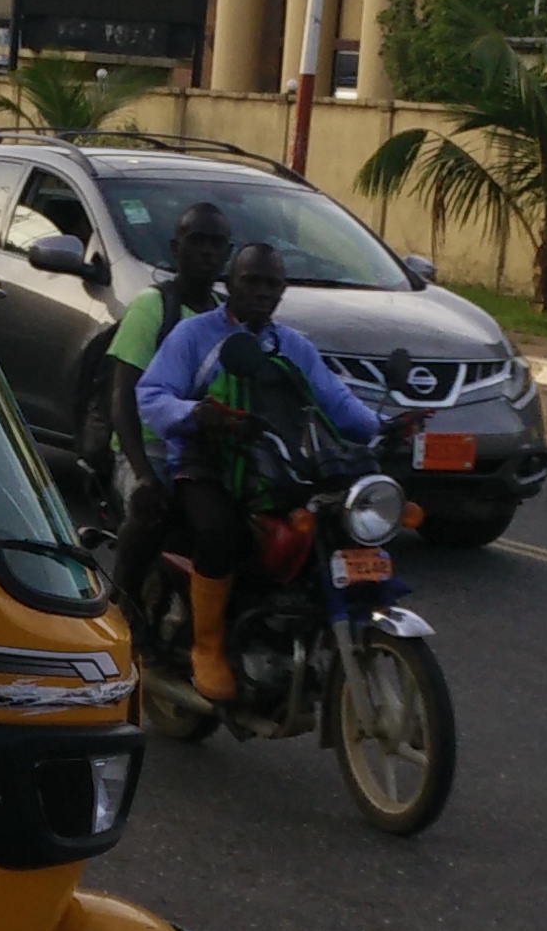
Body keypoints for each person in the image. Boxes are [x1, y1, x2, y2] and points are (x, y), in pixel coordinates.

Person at [134, 242, 388, 701]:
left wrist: (385, 428)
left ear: (282, 291)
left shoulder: (292, 345)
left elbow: (337, 403)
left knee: (331, 528)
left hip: (277, 465)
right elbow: (151, 395)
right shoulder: (194, 336)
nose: (261, 292)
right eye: (251, 280)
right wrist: (198, 413)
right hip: (205, 463)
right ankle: (207, 646)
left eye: (271, 284)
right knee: (219, 532)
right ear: (229, 284)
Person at [97, 199, 230, 592]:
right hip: (147, 448)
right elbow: (123, 399)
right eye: (197, 240)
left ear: (229, 253)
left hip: (203, 453)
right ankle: (124, 605)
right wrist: (143, 475)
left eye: (217, 243)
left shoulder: (227, 318)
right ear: (176, 249)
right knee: (149, 513)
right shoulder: (152, 306)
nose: (207, 251)